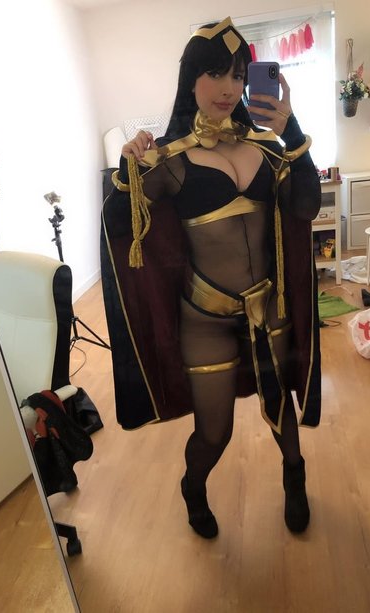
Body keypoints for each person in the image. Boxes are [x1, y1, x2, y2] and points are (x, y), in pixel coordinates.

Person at [100, 17, 321, 539]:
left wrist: (291, 131)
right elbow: (117, 225)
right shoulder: (169, 160)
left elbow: (307, 207)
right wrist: (128, 170)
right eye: (216, 74)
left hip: (268, 307)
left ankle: (295, 478)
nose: (229, 87)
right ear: (191, 79)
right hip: (206, 319)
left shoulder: (267, 149)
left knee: (282, 412)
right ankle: (193, 487)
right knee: (214, 431)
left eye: (238, 75)